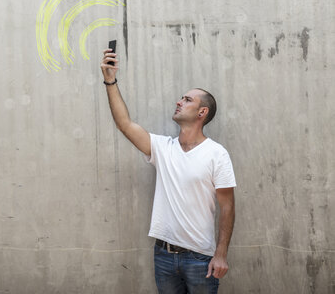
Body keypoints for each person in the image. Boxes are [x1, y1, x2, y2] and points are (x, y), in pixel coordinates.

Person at [100, 48, 236, 294]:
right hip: (163, 255)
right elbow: (125, 124)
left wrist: (221, 254)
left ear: (202, 112)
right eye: (181, 98)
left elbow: (227, 207)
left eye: (187, 100)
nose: (179, 101)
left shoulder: (217, 154)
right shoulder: (163, 148)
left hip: (200, 259)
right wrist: (110, 80)